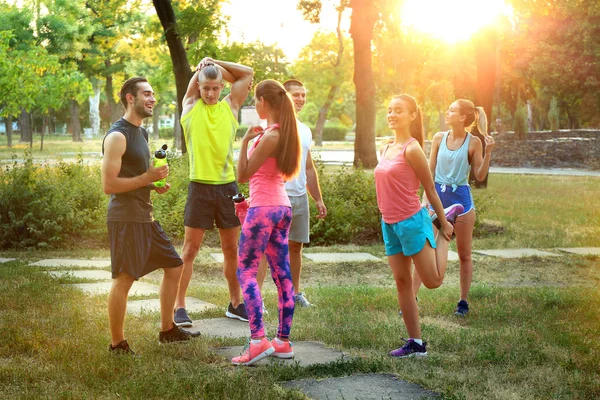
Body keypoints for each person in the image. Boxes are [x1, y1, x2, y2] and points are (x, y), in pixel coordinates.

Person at [102, 77, 200, 354]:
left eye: (153, 94)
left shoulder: (142, 134)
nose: (153, 98)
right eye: (146, 94)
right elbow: (109, 185)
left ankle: (167, 329)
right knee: (124, 279)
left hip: (145, 216)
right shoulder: (117, 136)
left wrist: (153, 184)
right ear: (130, 98)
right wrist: (146, 176)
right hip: (125, 217)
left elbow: (134, 177)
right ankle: (117, 344)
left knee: (175, 265)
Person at [375, 94, 464, 358]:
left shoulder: (412, 149)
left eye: (399, 111)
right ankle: (416, 343)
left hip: (412, 222)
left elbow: (430, 188)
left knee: (433, 281)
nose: (392, 115)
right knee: (402, 282)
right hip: (389, 223)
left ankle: (443, 235)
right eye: (390, 110)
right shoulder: (387, 146)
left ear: (413, 115)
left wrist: (444, 222)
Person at [175, 57, 254, 327]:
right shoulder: (189, 108)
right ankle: (179, 306)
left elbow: (247, 74)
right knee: (190, 250)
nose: (210, 93)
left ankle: (235, 303)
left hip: (227, 188)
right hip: (199, 187)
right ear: (198, 87)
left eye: (215, 88)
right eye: (205, 88)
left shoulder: (230, 107)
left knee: (231, 249)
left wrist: (214, 62)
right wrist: (201, 69)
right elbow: (193, 88)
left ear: (223, 87)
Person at [231, 79, 301, 366]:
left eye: (255, 100)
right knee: (282, 276)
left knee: (246, 272)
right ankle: (282, 342)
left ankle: (258, 340)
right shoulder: (283, 132)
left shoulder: (270, 135)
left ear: (263, 102)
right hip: (281, 208)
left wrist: (246, 140)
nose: (253, 105)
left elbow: (243, 175)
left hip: (264, 209)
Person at [413, 99, 495, 317]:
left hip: (462, 202)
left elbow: (479, 176)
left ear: (462, 117)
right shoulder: (439, 138)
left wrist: (488, 153)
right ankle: (412, 297)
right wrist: (425, 199)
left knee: (464, 254)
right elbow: (429, 171)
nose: (446, 112)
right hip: (437, 198)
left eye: (451, 110)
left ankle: (463, 302)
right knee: (424, 249)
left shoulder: (474, 142)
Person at [256, 79, 327, 309]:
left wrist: (318, 198)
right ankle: (256, 298)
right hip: (276, 196)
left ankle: (295, 294)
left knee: (296, 246)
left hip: (298, 198)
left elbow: (308, 167)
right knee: (266, 248)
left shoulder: (305, 131)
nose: (300, 99)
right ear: (283, 96)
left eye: (303, 95)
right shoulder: (271, 127)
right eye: (295, 94)